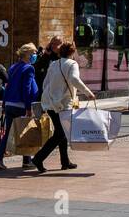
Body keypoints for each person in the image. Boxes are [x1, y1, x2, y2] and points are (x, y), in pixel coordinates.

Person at [34, 42, 95, 173]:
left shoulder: (54, 64)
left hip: (50, 102)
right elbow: (74, 79)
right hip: (63, 104)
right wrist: (88, 93)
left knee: (61, 132)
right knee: (61, 133)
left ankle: (65, 161)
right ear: (72, 53)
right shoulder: (72, 64)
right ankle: (38, 158)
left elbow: (46, 83)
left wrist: (50, 97)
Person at [0, 43, 40, 171]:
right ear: (28, 55)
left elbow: (7, 87)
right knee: (26, 131)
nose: (35, 55)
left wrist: (3, 105)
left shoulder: (13, 67)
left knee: (7, 133)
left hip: (9, 104)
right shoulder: (29, 68)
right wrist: (28, 108)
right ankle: (27, 160)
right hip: (20, 105)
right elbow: (26, 89)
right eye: (33, 53)